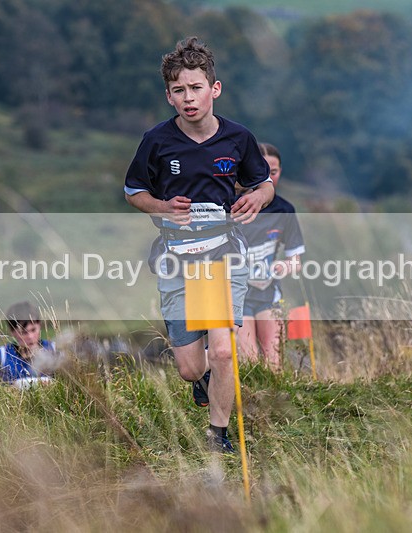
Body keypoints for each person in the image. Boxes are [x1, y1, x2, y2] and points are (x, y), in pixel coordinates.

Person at [124, 36, 274, 453]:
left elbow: (264, 183)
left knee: (223, 352)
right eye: (179, 90)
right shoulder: (156, 141)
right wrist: (162, 206)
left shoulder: (238, 138)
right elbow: (133, 191)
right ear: (168, 96)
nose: (188, 98)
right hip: (177, 259)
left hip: (223, 256)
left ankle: (217, 436)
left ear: (214, 88)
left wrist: (257, 199)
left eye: (196, 88)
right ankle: (203, 380)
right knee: (191, 368)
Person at [237, 143, 305, 371]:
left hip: (269, 294)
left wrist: (283, 266)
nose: (268, 177)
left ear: (280, 172)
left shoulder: (285, 210)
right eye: (262, 171)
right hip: (238, 296)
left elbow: (296, 262)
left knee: (273, 363)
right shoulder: (234, 206)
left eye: (273, 172)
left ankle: (275, 395)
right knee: (249, 361)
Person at [0, 301, 57, 388]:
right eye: (23, 332)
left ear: (40, 325)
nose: (30, 336)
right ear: (12, 332)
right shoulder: (0, 357)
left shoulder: (55, 350)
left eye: (33, 330)